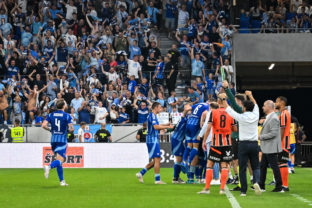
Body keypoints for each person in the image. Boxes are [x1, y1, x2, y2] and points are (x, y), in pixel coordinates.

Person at [198, 93, 236, 195]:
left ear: (218, 101)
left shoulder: (213, 112)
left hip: (216, 143)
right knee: (224, 165)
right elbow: (235, 129)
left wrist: (205, 140)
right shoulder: (231, 113)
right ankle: (222, 189)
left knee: (210, 164)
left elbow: (208, 127)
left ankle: (207, 189)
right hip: (227, 143)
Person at [225, 91, 262, 196]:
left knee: (242, 168)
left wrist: (223, 99)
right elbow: (255, 104)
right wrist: (250, 95)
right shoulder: (256, 114)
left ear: (244, 108)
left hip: (243, 144)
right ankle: (256, 182)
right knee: (255, 166)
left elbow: (228, 110)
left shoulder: (241, 117)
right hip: (254, 144)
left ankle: (243, 191)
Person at [136, 102, 173, 184]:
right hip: (152, 139)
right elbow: (156, 127)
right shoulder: (152, 115)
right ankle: (157, 180)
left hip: (153, 139)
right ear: (155, 107)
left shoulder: (153, 116)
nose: (161, 109)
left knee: (155, 160)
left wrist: (165, 124)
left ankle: (141, 173)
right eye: (160, 107)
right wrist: (167, 127)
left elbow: (157, 125)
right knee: (157, 159)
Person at [42, 99, 74, 186]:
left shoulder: (50, 115)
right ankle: (48, 167)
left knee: (58, 160)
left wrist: (51, 130)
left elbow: (43, 125)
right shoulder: (67, 116)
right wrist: (69, 131)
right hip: (62, 140)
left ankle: (62, 181)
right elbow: (71, 129)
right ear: (64, 106)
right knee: (62, 160)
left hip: (53, 140)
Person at [259, 100, 283, 192]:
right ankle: (262, 185)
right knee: (263, 166)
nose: (263, 107)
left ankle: (279, 186)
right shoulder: (270, 117)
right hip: (267, 146)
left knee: (274, 166)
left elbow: (273, 133)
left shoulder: (273, 118)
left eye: (264, 106)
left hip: (271, 146)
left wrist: (260, 137)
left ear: (269, 107)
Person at [182, 102, 209, 183]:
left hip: (189, 123)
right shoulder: (207, 106)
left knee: (189, 146)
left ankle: (184, 162)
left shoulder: (198, 104)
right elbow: (205, 113)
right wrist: (201, 122)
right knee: (196, 149)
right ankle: (189, 162)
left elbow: (186, 108)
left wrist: (184, 115)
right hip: (196, 125)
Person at [171, 104, 191, 184]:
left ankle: (176, 177)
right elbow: (184, 113)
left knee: (181, 158)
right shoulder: (183, 118)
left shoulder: (185, 119)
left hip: (177, 140)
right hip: (177, 140)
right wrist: (187, 109)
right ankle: (175, 178)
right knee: (179, 160)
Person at [275, 96, 291, 192]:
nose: (275, 103)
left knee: (282, 162)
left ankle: (285, 186)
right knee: (281, 163)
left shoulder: (284, 113)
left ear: (281, 102)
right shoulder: (282, 113)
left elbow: (282, 128)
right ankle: (283, 185)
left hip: (283, 142)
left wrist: (279, 141)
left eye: (276, 101)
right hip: (283, 141)